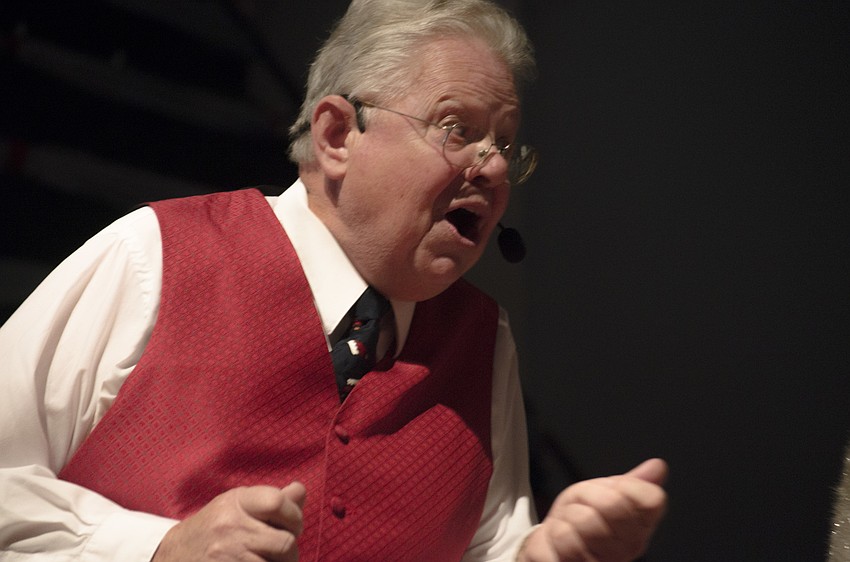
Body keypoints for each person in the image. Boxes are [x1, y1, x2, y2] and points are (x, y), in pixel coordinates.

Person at [0, 0, 667, 560]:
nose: (492, 169)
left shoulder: (483, 343)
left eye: (505, 145)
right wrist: (157, 548)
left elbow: (489, 546)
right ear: (337, 134)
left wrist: (545, 556)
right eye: (457, 129)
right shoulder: (157, 255)